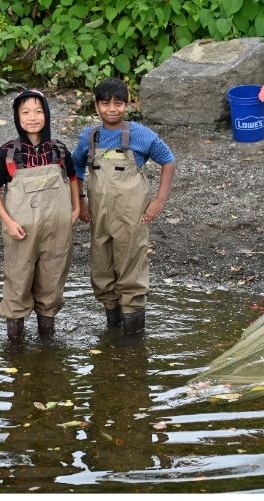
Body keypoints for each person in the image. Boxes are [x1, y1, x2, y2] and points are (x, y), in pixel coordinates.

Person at [73, 77, 176, 336]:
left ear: (127, 105)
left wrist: (159, 200)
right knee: (101, 267)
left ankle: (132, 337)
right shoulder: (89, 137)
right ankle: (112, 327)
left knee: (130, 266)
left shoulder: (141, 135)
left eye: (118, 103)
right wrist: (81, 200)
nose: (111, 108)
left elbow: (168, 160)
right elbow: (75, 166)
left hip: (132, 217)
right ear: (96, 106)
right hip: (99, 215)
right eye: (105, 103)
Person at [0, 89, 79, 342]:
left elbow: (72, 177)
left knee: (51, 284)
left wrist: (77, 209)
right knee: (18, 283)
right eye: (25, 112)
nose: (32, 117)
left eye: (38, 111)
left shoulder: (58, 149)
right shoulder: (7, 152)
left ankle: (46, 344)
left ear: (47, 114)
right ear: (17, 117)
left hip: (57, 230)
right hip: (21, 231)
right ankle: (15, 349)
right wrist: (8, 222)